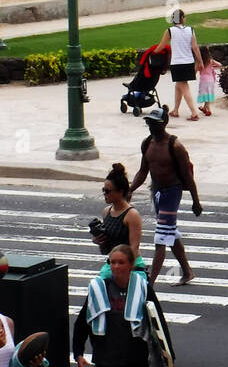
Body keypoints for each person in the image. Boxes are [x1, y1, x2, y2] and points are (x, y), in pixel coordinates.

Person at [129, 106, 200, 287]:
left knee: (160, 237)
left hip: (172, 192)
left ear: (165, 124)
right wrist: (131, 189)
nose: (152, 127)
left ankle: (150, 283)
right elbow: (143, 171)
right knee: (170, 233)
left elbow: (187, 177)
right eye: (150, 124)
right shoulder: (147, 143)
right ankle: (187, 271)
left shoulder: (175, 146)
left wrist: (195, 201)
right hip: (157, 192)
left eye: (156, 124)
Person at [92, 163, 145, 274]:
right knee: (97, 287)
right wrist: (98, 239)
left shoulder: (132, 215)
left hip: (131, 265)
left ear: (120, 192)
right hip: (113, 263)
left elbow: (134, 248)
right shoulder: (106, 211)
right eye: (103, 190)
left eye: (107, 191)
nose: (104, 194)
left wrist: (125, 272)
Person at [157, 8, 203, 121]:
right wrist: (200, 61)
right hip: (188, 61)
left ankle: (193, 112)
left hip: (177, 63)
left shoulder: (170, 31)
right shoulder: (190, 30)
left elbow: (162, 45)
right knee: (179, 85)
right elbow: (195, 48)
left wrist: (153, 52)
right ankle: (176, 110)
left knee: (183, 86)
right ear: (182, 18)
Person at [196, 45, 221, 117]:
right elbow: (220, 65)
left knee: (205, 94)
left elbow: (197, 69)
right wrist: (213, 66)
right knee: (209, 94)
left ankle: (207, 109)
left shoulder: (200, 62)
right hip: (211, 80)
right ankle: (205, 108)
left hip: (203, 80)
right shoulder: (210, 61)